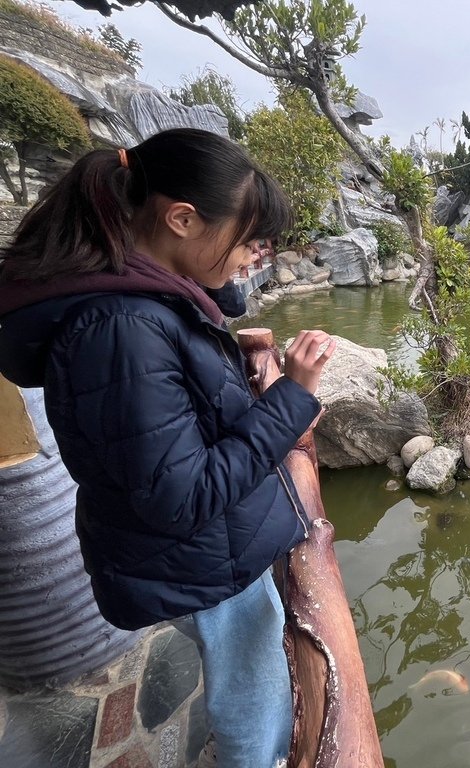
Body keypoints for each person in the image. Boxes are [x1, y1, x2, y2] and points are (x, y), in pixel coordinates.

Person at [0, 128, 337, 768]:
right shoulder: (121, 328)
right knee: (258, 711)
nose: (253, 255)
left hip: (196, 553)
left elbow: (177, 376)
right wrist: (292, 395)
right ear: (181, 219)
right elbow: (183, 497)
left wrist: (227, 277)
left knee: (251, 683)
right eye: (246, 239)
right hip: (203, 560)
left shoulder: (132, 296)